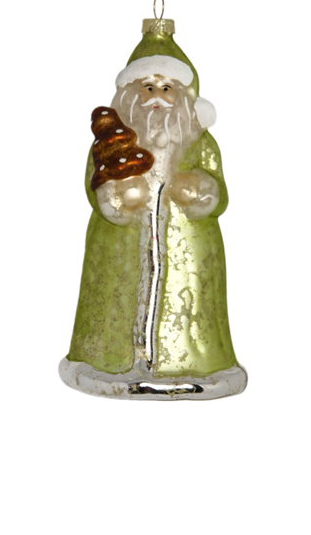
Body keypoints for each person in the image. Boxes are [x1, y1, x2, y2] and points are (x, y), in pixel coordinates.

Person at [59, 20, 246, 399]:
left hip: (186, 243)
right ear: (130, 93)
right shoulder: (110, 142)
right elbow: (92, 180)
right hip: (121, 245)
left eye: (166, 89)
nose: (155, 98)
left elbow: (219, 189)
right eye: (147, 88)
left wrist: (203, 190)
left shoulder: (199, 142)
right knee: (115, 295)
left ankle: (193, 361)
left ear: (184, 96)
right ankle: (108, 359)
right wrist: (112, 198)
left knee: (190, 302)